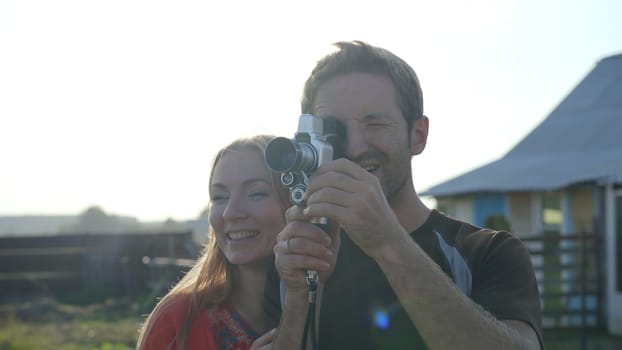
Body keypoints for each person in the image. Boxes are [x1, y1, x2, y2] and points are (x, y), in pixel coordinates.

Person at [266, 41, 543, 349]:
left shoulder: (487, 253)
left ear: (418, 136)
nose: (356, 147)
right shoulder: (292, 257)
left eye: (375, 123)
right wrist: (300, 297)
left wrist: (387, 242)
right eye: (333, 128)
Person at [136, 135, 288, 350]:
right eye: (219, 197)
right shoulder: (177, 321)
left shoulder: (335, 311)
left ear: (295, 201)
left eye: (256, 193)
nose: (231, 212)